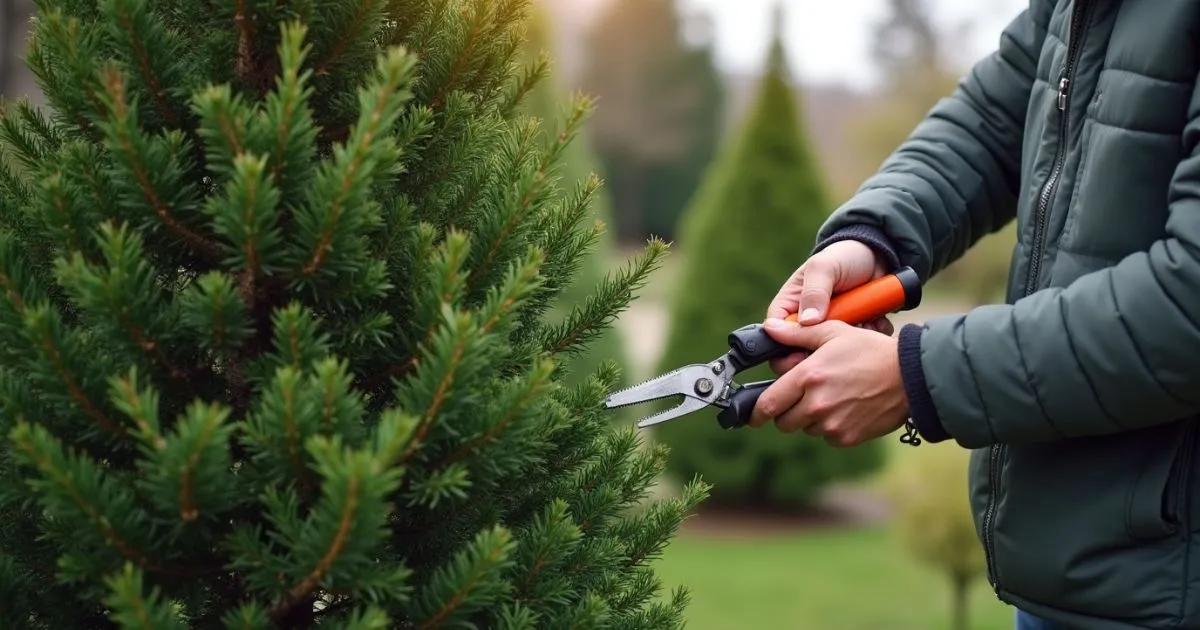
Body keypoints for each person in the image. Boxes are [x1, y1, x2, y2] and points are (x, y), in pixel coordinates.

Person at [746, 2, 1200, 629]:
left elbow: (1189, 307)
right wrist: (873, 235)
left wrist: (917, 376)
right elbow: (995, 118)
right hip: (1077, 576)